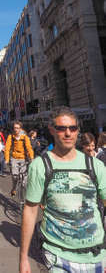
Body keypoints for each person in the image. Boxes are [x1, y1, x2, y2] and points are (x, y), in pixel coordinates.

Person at [19, 106, 106, 273]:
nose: (68, 133)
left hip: (96, 255)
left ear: (77, 131)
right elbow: (30, 210)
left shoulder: (95, 166)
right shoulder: (40, 166)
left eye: (72, 128)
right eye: (62, 128)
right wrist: (23, 257)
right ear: (52, 130)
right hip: (57, 255)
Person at [5, 121, 34, 196]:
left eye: (17, 128)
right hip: (14, 158)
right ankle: (14, 188)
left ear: (20, 129)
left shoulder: (25, 137)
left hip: (23, 159)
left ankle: (25, 198)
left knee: (24, 181)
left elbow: (29, 148)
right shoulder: (10, 136)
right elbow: (7, 148)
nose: (16, 130)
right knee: (15, 176)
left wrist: (31, 158)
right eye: (15, 128)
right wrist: (7, 159)